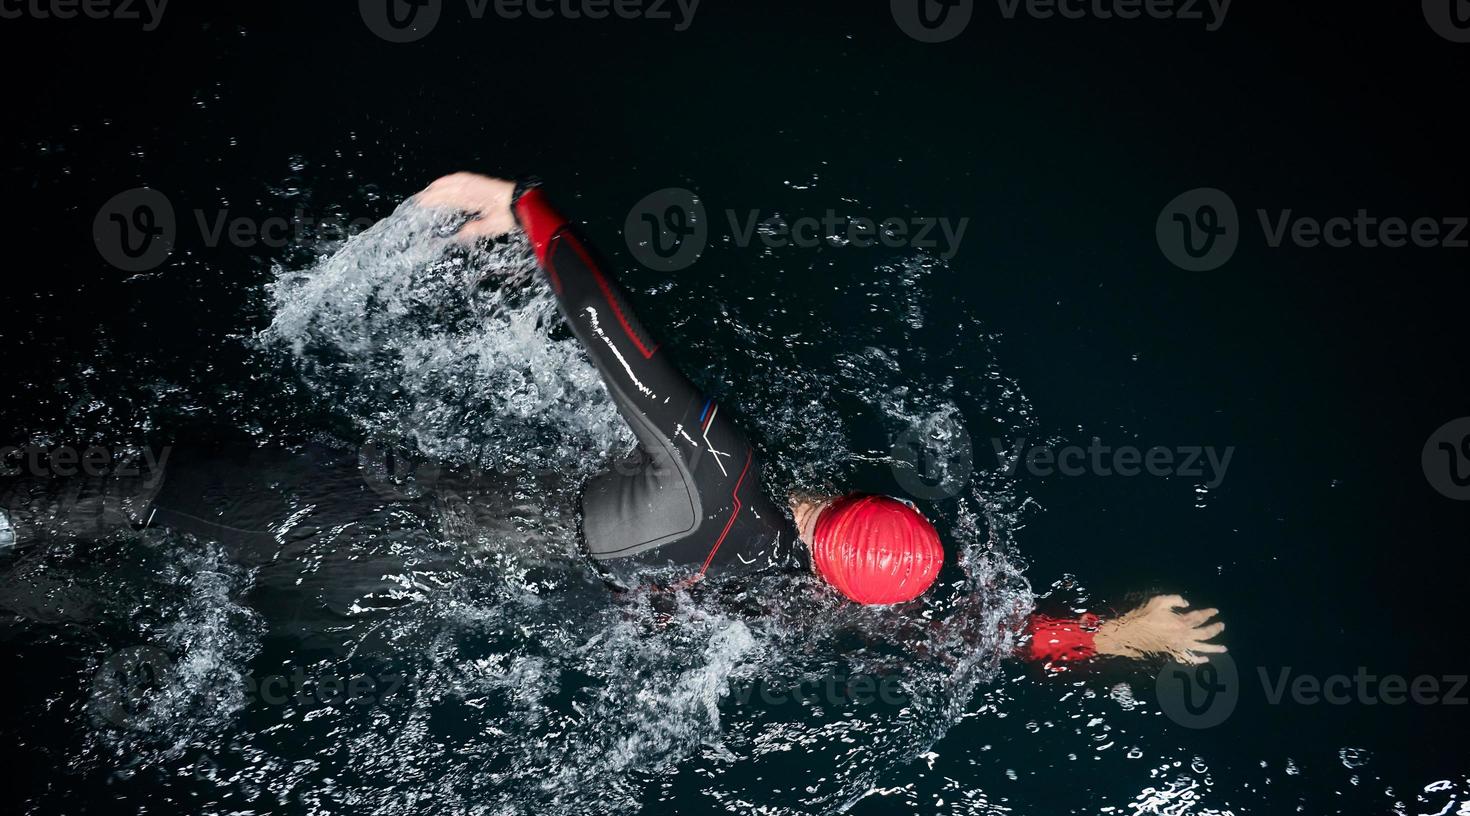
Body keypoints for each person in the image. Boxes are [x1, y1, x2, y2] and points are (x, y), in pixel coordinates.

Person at [0, 172, 1228, 666]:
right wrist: (1111, 636)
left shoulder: (722, 472)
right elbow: (963, 635)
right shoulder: (802, 606)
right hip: (409, 602)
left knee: (143, 484)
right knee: (108, 602)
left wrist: (525, 202)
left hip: (369, 516)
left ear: (873, 500)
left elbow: (615, 337)